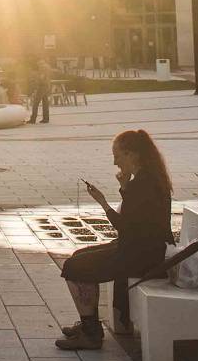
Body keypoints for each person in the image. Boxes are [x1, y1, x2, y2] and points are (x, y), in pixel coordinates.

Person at [55, 129, 172, 349]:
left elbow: (124, 226)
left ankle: (91, 334)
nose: (115, 162)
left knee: (74, 266)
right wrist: (125, 186)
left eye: (117, 155)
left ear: (132, 155)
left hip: (140, 255)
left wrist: (103, 203)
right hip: (146, 248)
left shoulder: (143, 183)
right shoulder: (147, 178)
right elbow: (135, 220)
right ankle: (89, 324)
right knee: (80, 257)